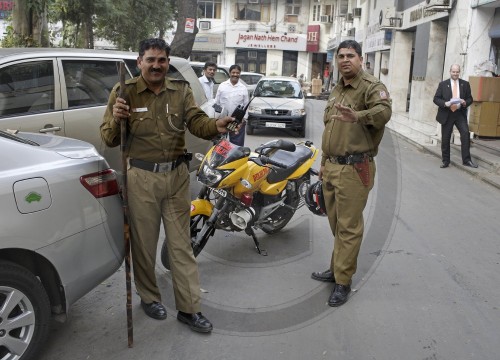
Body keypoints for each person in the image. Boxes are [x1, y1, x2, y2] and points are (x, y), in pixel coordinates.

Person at [100, 38, 237, 333]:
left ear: (168, 62)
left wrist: (216, 125)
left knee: (181, 246)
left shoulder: (181, 91)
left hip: (176, 178)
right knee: (145, 246)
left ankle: (189, 309)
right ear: (139, 62)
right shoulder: (124, 92)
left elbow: (197, 121)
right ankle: (149, 297)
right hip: (142, 178)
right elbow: (109, 138)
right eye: (150, 60)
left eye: (161, 60)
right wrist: (116, 117)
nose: (156, 65)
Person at [311, 40, 392, 307]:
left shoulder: (371, 87)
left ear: (361, 58)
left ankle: (343, 281)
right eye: (341, 56)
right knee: (336, 224)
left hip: (355, 168)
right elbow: (330, 130)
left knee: (348, 226)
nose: (345, 60)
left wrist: (357, 116)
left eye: (351, 56)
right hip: (332, 165)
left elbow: (383, 113)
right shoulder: (336, 89)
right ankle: (337, 267)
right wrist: (324, 161)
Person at [433, 64, 477, 168]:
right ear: (450, 71)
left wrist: (465, 102)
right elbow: (436, 98)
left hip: (459, 113)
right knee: (446, 138)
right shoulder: (443, 84)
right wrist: (445, 103)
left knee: (465, 134)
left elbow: (470, 98)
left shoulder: (465, 84)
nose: (455, 74)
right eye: (453, 72)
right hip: (447, 114)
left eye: (457, 72)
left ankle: (466, 160)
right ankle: (445, 161)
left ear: (459, 72)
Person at [215, 64, 249, 146]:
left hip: (236, 121)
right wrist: (216, 118)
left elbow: (246, 105)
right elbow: (216, 103)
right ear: (229, 73)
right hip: (223, 120)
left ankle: (235, 159)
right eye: (233, 72)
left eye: (237, 73)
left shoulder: (243, 88)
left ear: (239, 74)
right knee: (220, 144)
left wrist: (243, 120)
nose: (235, 75)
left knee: (236, 146)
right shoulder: (222, 86)